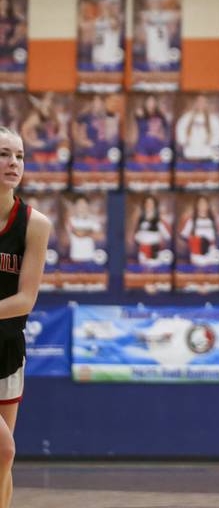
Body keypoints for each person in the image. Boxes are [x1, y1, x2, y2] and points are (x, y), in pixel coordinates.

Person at [0, 127, 52, 508]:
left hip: (7, 348)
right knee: (4, 450)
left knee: (3, 462)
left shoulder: (35, 224)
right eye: (4, 154)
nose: (13, 163)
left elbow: (25, 299)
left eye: (19, 156)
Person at [175, 95, 219, 162]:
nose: (201, 104)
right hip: (190, 151)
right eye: (199, 102)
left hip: (207, 151)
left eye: (203, 102)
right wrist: (183, 141)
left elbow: (218, 132)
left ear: (206, 104)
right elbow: (180, 129)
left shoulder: (213, 119)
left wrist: (214, 144)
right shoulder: (186, 117)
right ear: (195, 103)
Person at [179, 196, 219, 267]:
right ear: (197, 206)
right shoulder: (191, 221)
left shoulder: (213, 220)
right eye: (200, 204)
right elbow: (183, 235)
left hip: (212, 254)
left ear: (208, 205)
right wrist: (194, 243)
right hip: (197, 256)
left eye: (204, 203)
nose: (202, 206)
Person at [73, 95, 119, 162]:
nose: (98, 104)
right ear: (92, 103)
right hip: (91, 151)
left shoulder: (106, 115)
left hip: (105, 150)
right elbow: (75, 124)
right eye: (96, 102)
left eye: (100, 102)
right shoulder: (87, 116)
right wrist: (80, 141)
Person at [133, 195, 172, 267]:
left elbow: (167, 236)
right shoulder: (140, 219)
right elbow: (136, 235)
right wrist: (139, 237)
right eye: (147, 203)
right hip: (143, 250)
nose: (149, 205)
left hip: (154, 250)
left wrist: (159, 236)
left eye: (151, 203)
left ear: (154, 205)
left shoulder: (159, 220)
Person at [132, 95, 170, 161]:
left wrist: (161, 136)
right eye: (149, 102)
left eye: (153, 102)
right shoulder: (141, 114)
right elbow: (136, 115)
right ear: (145, 103)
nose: (151, 104)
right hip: (142, 150)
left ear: (156, 104)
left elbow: (166, 130)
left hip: (157, 149)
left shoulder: (160, 116)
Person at [66, 196, 103, 264]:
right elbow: (78, 234)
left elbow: (99, 236)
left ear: (87, 206)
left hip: (90, 258)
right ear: (75, 206)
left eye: (84, 205)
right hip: (75, 258)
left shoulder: (93, 220)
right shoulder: (70, 220)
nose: (81, 208)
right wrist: (90, 231)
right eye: (79, 205)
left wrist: (83, 232)